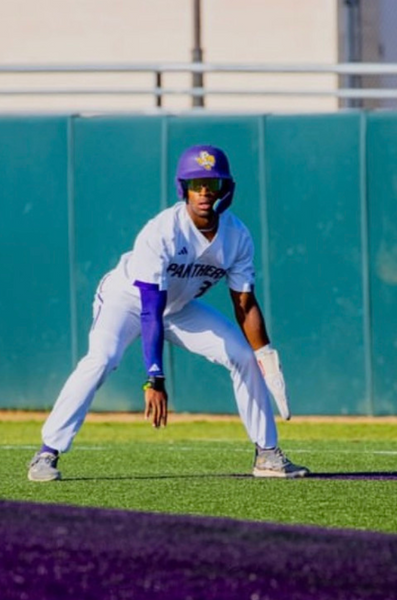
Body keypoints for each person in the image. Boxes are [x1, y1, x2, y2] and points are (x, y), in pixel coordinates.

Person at [28, 144, 309, 481]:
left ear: (225, 188)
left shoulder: (237, 237)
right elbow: (150, 309)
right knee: (101, 359)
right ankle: (47, 452)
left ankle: (267, 454)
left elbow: (245, 304)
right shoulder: (162, 231)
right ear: (183, 188)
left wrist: (267, 357)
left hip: (177, 308)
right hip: (128, 301)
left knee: (243, 357)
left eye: (212, 183)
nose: (204, 192)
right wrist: (154, 377)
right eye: (196, 184)